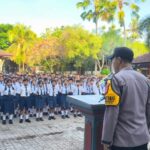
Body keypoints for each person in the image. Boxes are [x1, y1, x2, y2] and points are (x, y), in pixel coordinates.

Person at [102, 47, 150, 150]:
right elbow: (148, 109)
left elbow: (111, 113)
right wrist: (146, 131)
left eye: (113, 60)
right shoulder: (145, 80)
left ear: (119, 60)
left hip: (122, 142)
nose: (112, 63)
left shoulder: (115, 80)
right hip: (142, 139)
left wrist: (106, 140)